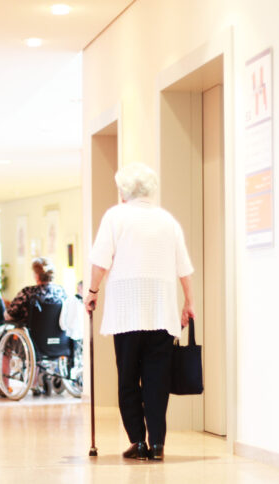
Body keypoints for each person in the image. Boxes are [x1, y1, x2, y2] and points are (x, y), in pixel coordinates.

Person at [84, 162, 195, 461]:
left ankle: (138, 441)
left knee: (128, 379)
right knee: (158, 381)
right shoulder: (167, 221)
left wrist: (92, 292)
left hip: (127, 315)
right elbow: (184, 267)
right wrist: (189, 302)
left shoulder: (115, 217)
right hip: (161, 312)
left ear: (124, 191)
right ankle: (157, 443)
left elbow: (100, 262)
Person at [4, 257, 67, 323]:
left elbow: (9, 315)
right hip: (56, 329)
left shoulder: (27, 292)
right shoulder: (61, 292)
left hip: (30, 329)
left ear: (37, 276)